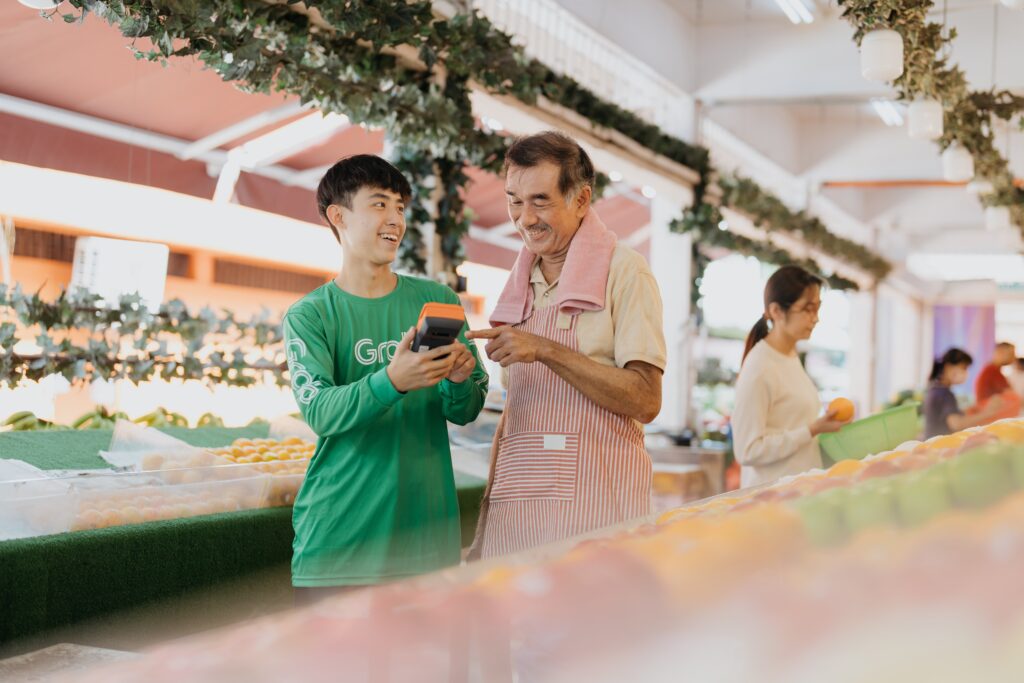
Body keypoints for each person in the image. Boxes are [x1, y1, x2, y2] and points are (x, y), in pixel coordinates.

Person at [283, 155, 489, 599]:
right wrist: (392, 379)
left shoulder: (436, 299)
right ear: (338, 217)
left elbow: (467, 408)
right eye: (379, 205)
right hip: (339, 547)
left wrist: (458, 378)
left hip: (427, 545)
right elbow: (320, 411)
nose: (395, 219)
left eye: (400, 207)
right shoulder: (311, 315)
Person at [466, 131, 666, 558]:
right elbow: (515, 411)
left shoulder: (626, 272)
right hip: (514, 522)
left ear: (581, 200)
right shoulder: (518, 284)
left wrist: (546, 349)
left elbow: (647, 399)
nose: (524, 218)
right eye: (514, 200)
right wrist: (485, 525)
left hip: (597, 520)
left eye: (540, 200)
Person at [731, 266, 850, 489]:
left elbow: (792, 425)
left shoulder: (790, 356)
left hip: (799, 494)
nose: (816, 318)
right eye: (808, 309)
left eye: (818, 309)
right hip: (770, 501)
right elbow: (748, 450)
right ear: (776, 311)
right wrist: (811, 430)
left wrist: (822, 429)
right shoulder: (760, 366)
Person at [924, 348, 1005, 439]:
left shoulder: (936, 388)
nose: (965, 373)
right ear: (948, 367)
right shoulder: (944, 393)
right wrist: (988, 412)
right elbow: (956, 424)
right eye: (964, 368)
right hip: (937, 447)